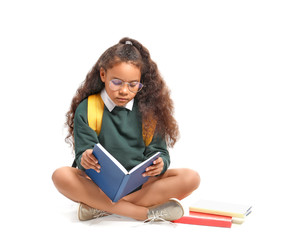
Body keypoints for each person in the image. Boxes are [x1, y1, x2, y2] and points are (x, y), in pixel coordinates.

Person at [52, 37, 200, 222]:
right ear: (103, 75)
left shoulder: (149, 111)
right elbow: (83, 154)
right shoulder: (88, 108)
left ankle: (100, 206)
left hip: (141, 184)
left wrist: (161, 163)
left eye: (133, 85)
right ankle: (144, 214)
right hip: (100, 185)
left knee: (191, 178)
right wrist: (86, 158)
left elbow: (159, 151)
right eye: (117, 82)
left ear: (140, 82)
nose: (124, 91)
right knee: (61, 175)